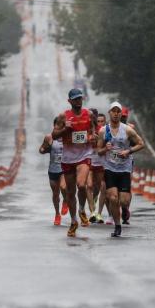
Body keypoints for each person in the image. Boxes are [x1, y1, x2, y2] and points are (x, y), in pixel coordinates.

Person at [52, 88, 96, 237]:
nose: (78, 101)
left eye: (80, 99)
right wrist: (65, 129)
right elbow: (54, 134)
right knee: (70, 193)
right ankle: (73, 221)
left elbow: (93, 130)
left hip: (84, 155)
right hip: (68, 158)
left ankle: (82, 209)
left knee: (81, 185)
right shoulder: (63, 116)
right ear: (69, 101)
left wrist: (93, 137)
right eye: (75, 99)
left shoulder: (88, 114)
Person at [97, 101, 144, 237]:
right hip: (110, 168)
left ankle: (124, 209)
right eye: (114, 111)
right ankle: (117, 226)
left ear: (120, 114)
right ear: (109, 113)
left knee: (123, 200)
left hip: (124, 169)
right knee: (112, 198)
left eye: (118, 111)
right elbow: (98, 151)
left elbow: (141, 144)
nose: (116, 114)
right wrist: (105, 148)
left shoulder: (127, 130)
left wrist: (128, 151)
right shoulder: (103, 131)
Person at [39, 118, 68, 225]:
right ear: (54, 125)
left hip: (64, 168)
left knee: (63, 187)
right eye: (56, 125)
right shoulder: (49, 137)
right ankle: (57, 214)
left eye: (60, 125)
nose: (58, 127)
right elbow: (41, 149)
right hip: (53, 169)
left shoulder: (67, 137)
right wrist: (44, 149)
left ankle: (65, 200)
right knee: (55, 194)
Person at [87, 109, 105, 223]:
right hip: (87, 160)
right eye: (90, 116)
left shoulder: (102, 130)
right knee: (88, 185)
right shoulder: (85, 129)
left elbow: (106, 142)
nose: (91, 118)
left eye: (93, 116)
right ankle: (93, 213)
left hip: (99, 161)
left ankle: (94, 201)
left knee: (98, 186)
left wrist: (98, 138)